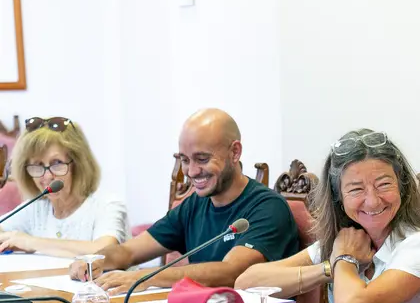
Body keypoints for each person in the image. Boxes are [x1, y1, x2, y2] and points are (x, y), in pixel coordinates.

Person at [236, 129, 420, 303]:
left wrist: (344, 261)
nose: (373, 200)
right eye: (356, 189)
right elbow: (246, 284)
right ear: (338, 197)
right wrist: (328, 267)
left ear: (402, 186)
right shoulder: (349, 240)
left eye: (384, 184)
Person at [69, 108, 300, 292]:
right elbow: (128, 252)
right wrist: (95, 261)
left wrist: (143, 278)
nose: (191, 171)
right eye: (185, 160)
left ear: (235, 152)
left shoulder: (268, 208)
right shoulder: (196, 203)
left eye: (202, 159)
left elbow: (231, 272)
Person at [1, 117, 128, 257]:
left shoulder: (107, 205)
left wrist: (32, 243)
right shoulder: (36, 208)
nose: (47, 176)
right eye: (37, 165)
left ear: (78, 164)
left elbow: (105, 251)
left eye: (56, 163)